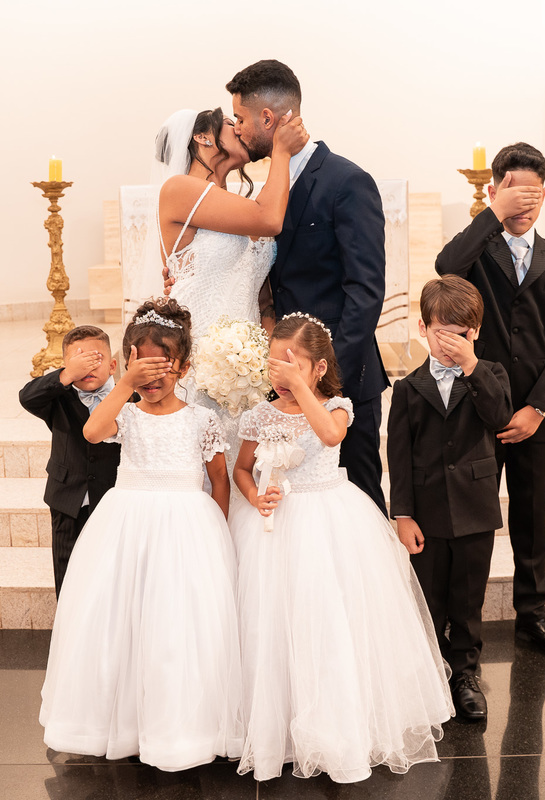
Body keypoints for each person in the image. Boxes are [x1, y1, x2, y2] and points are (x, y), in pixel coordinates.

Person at [230, 313, 452, 783]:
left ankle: (338, 726)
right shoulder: (258, 414)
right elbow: (242, 469)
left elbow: (330, 437)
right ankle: (279, 724)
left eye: (294, 365)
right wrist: (255, 497)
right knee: (273, 624)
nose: (282, 374)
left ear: (318, 368)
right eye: (275, 365)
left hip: (329, 522)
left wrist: (300, 390)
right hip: (274, 527)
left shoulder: (338, 406)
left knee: (329, 621)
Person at [39, 297, 243, 771]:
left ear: (185, 367)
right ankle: (122, 721)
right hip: (127, 525)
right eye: (140, 371)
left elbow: (218, 480)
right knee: (120, 622)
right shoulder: (125, 415)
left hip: (187, 528)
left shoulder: (201, 419)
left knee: (177, 628)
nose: (151, 382)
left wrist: (221, 535)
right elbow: (91, 432)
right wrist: (124, 386)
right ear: (127, 365)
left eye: (163, 371)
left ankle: (179, 727)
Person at [435, 142, 545, 659]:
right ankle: (462, 624)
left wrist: (539, 407)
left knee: (531, 513)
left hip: (535, 416)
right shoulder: (478, 253)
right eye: (514, 193)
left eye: (534, 195)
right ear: (497, 189)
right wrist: (493, 214)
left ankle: (534, 616)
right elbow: (445, 266)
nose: (525, 206)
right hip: (479, 409)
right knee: (473, 521)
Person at [227, 59, 389, 513]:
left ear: (268, 119)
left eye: (241, 118)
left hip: (341, 378)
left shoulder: (346, 181)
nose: (237, 129)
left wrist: (328, 381)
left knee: (358, 499)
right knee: (290, 499)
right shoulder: (269, 188)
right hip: (282, 380)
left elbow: (366, 289)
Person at [386, 276, 513, 721]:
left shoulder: (491, 374)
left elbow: (500, 419)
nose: (449, 344)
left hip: (476, 511)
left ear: (474, 332)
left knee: (467, 600)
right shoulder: (406, 389)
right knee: (430, 598)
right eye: (440, 332)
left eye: (459, 334)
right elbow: (398, 457)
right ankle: (431, 671)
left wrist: (473, 367)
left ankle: (465, 674)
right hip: (428, 514)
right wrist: (402, 514)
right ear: (423, 328)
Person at [156, 106, 308, 467]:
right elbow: (270, 220)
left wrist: (272, 355)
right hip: (202, 357)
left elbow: (260, 291)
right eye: (229, 123)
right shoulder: (179, 189)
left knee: (247, 472)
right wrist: (282, 152)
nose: (239, 129)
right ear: (202, 137)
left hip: (249, 366)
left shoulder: (236, 203)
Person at [18, 326, 120, 598]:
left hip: (112, 498)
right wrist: (67, 376)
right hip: (68, 499)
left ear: (112, 365)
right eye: (78, 360)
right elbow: (27, 397)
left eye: (95, 359)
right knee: (68, 571)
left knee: (110, 571)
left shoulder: (128, 399)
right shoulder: (57, 399)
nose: (87, 366)